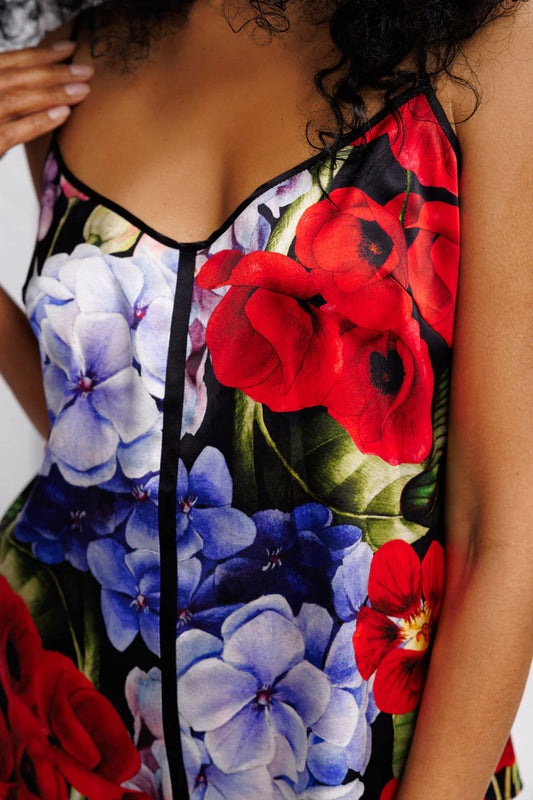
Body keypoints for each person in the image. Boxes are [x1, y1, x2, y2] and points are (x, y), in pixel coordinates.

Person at [0, 1, 531, 798]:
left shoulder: (485, 43)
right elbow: (117, 453)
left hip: (356, 762)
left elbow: (507, 525)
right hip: (67, 739)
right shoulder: (75, 51)